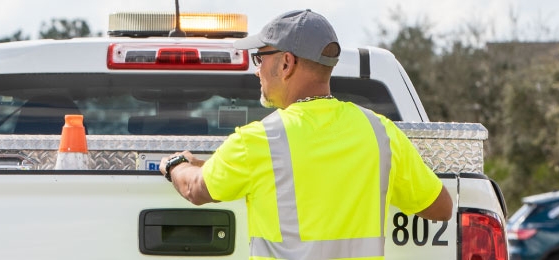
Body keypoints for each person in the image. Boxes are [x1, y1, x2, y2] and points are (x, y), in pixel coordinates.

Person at [159, 9, 452, 260]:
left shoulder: (258, 141)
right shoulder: (380, 134)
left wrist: (176, 164)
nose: (257, 70)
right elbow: (441, 208)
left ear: (286, 63)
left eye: (260, 59)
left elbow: (194, 189)